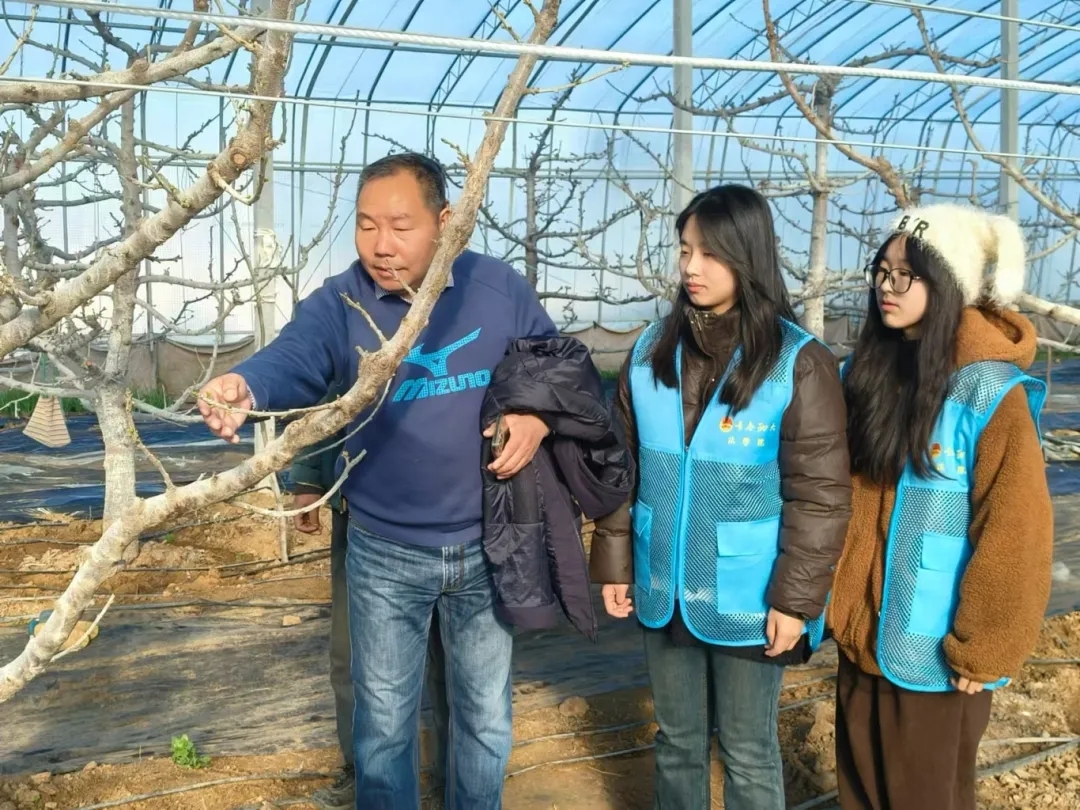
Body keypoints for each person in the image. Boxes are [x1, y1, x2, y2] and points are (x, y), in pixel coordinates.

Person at [198, 152, 558, 810]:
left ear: (446, 223)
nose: (380, 245)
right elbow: (297, 354)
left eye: (399, 226)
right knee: (384, 726)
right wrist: (247, 384)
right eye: (366, 225)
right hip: (385, 552)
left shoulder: (497, 289)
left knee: (484, 719)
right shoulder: (344, 302)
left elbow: (553, 362)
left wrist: (537, 414)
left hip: (486, 543)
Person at [589, 184, 853, 810]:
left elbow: (819, 497)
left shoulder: (798, 362)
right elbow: (620, 467)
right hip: (665, 582)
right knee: (676, 741)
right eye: (685, 250)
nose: (692, 267)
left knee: (747, 747)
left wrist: (794, 601)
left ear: (747, 256)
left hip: (750, 594)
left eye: (710, 253)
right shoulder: (651, 350)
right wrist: (615, 564)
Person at [829, 204, 1053, 810]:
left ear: (949, 284)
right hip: (862, 636)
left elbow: (1016, 528)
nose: (887, 286)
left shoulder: (988, 391)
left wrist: (985, 643)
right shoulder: (868, 375)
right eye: (882, 271)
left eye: (907, 275)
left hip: (934, 645)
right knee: (861, 792)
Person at [288, 412, 450, 809]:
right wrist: (309, 477)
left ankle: (456, 776)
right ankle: (364, 772)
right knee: (353, 654)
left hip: (450, 507)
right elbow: (326, 394)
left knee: (451, 657)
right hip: (360, 507)